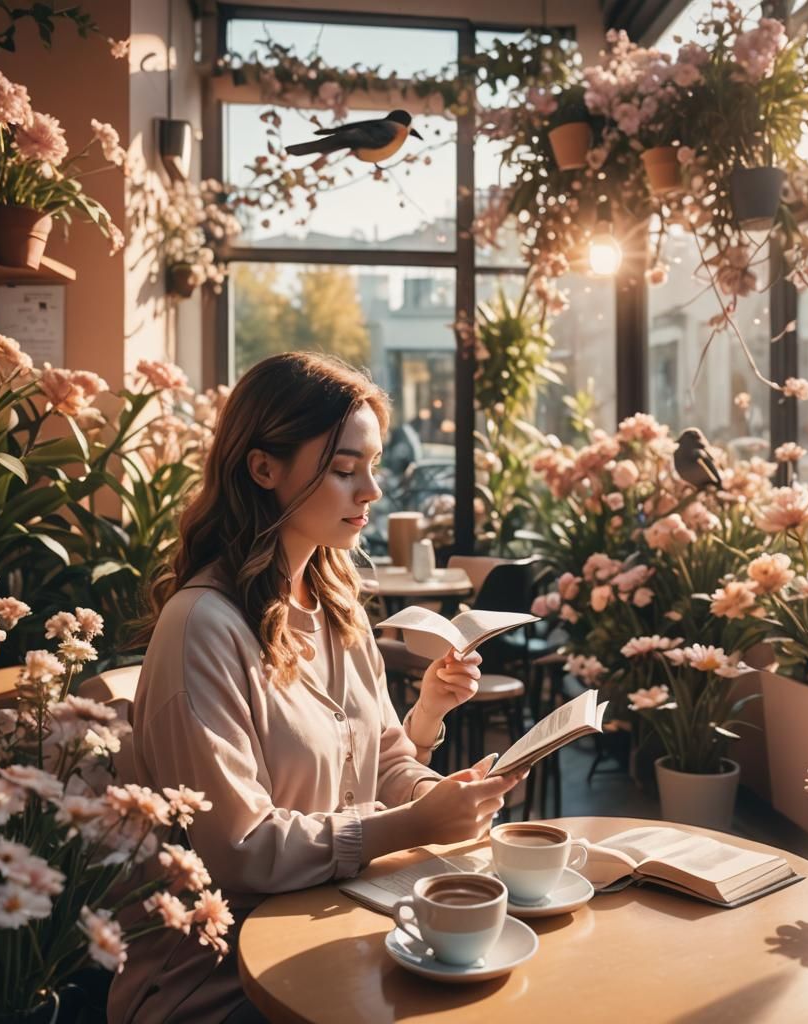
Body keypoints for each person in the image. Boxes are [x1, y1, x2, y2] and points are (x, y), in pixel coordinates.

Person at [108, 352, 527, 1023]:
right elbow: (241, 851)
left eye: (373, 465)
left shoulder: (338, 608)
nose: (372, 491)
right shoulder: (202, 627)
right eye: (343, 468)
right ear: (263, 468)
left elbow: (387, 758)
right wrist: (414, 824)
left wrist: (441, 797)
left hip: (341, 930)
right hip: (225, 983)